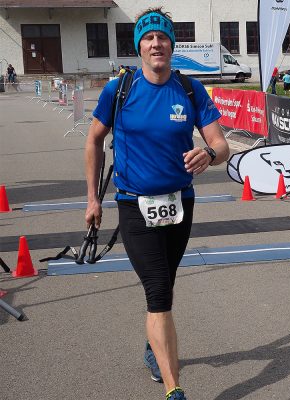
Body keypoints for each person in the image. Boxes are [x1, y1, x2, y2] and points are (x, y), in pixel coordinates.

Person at [84, 7, 229, 400]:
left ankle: (154, 346)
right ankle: (174, 388)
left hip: (180, 203)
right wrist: (93, 199)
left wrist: (209, 155)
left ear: (171, 44)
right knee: (158, 291)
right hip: (134, 205)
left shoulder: (189, 89)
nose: (156, 43)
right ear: (139, 47)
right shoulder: (120, 90)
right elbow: (94, 139)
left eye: (162, 37)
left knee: (165, 283)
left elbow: (222, 144)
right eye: (148, 38)